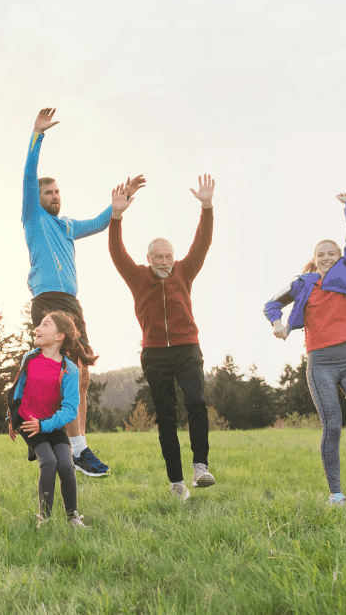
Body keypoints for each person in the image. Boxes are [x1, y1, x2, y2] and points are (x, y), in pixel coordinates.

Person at [20, 107, 141, 477]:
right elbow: (28, 176)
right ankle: (72, 446)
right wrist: (37, 135)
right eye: (49, 192)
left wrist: (117, 208)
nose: (55, 196)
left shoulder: (68, 225)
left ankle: (76, 446)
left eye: (57, 192)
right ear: (38, 197)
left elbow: (100, 222)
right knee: (62, 374)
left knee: (83, 375)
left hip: (72, 303)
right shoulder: (33, 217)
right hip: (48, 300)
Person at [264, 193, 346, 506]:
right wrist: (277, 324)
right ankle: (336, 494)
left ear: (340, 257)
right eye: (320, 254)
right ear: (314, 258)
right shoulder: (303, 284)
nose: (326, 257)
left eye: (331, 253)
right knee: (333, 425)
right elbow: (271, 303)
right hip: (320, 365)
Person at [108, 175, 216, 500]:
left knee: (196, 401)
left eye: (169, 256)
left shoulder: (185, 270)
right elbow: (117, 252)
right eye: (159, 257)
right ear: (149, 259)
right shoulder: (137, 277)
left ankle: (200, 467)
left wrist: (207, 207)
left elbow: (203, 243)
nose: (166, 261)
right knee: (166, 416)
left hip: (187, 348)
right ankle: (177, 483)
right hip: (154, 353)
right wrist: (116, 216)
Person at [6, 311, 89, 528]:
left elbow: (71, 409)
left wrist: (45, 424)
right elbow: (17, 390)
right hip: (28, 422)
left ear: (60, 336)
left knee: (66, 465)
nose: (37, 328)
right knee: (49, 462)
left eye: (45, 324)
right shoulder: (30, 358)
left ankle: (73, 518)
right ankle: (46, 519)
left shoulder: (70, 369)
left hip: (51, 424)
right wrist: (11, 419)